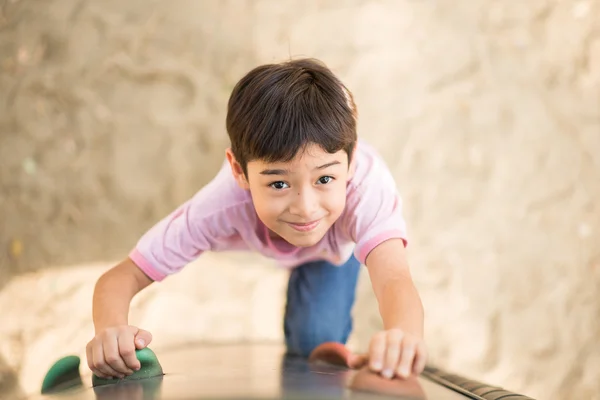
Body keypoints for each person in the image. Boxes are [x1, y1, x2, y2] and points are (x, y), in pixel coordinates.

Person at [86, 58, 427, 382]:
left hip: (331, 249)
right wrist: (110, 329)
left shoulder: (365, 190)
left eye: (324, 180)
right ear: (239, 172)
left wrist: (403, 335)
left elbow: (394, 277)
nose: (306, 208)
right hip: (269, 226)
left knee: (313, 335)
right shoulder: (219, 206)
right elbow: (120, 277)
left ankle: (321, 348)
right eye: (279, 183)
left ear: (350, 164)